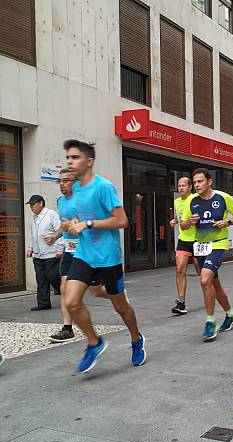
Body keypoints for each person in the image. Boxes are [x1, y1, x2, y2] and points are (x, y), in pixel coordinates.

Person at [62, 139, 146, 373]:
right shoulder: (76, 189)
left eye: (75, 157)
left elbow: (122, 221)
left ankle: (136, 339)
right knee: (70, 301)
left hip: (108, 258)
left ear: (89, 161)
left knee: (120, 306)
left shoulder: (103, 187)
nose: (70, 161)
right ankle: (94, 342)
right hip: (84, 254)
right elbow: (82, 217)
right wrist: (75, 224)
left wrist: (88, 224)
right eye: (68, 157)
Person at [45, 169, 111, 343]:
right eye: (60, 181)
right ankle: (67, 329)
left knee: (96, 290)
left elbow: (90, 223)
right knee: (64, 286)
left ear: (75, 182)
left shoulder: (84, 201)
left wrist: (77, 224)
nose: (62, 184)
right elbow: (63, 225)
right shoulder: (60, 201)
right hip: (69, 249)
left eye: (66, 180)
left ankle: (116, 293)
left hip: (85, 249)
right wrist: (55, 236)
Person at [180, 168, 233, 341]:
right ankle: (230, 314)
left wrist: (227, 222)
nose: (197, 185)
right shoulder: (191, 200)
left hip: (219, 243)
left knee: (205, 279)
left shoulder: (223, 197)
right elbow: (183, 225)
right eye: (195, 183)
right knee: (214, 284)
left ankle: (210, 321)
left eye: (200, 182)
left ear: (209, 182)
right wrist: (189, 222)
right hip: (200, 245)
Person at [26, 194, 63, 311]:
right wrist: (30, 248)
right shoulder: (33, 217)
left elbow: (61, 230)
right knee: (41, 279)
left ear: (40, 203)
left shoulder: (51, 215)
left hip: (51, 253)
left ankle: (66, 291)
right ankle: (43, 303)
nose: (31, 207)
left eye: (33, 204)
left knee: (52, 276)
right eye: (30, 205)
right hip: (37, 254)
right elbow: (33, 235)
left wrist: (60, 249)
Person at [170, 177, 200, 315]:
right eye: (179, 186)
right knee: (180, 270)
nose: (181, 188)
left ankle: (212, 293)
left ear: (190, 187)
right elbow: (178, 217)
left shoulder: (196, 199)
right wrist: (174, 221)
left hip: (198, 240)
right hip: (183, 240)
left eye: (183, 186)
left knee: (203, 273)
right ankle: (181, 303)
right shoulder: (176, 202)